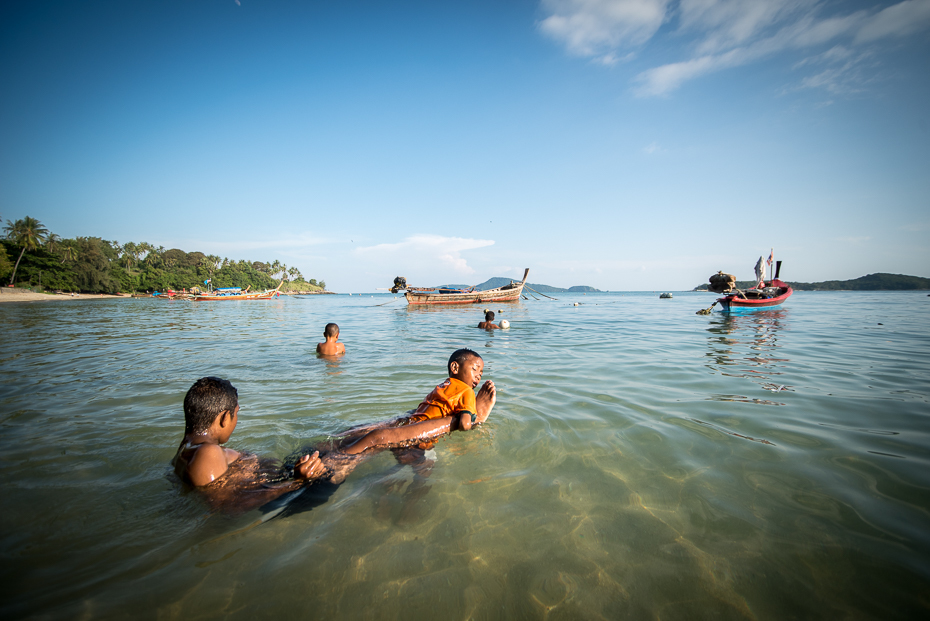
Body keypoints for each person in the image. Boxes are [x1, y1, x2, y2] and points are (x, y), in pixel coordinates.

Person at [339, 348, 496, 454]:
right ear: (454, 368)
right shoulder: (467, 391)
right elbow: (464, 425)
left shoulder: (441, 387)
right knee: (424, 472)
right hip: (421, 442)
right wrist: (473, 419)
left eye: (481, 373)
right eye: (475, 369)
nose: (478, 376)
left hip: (410, 423)